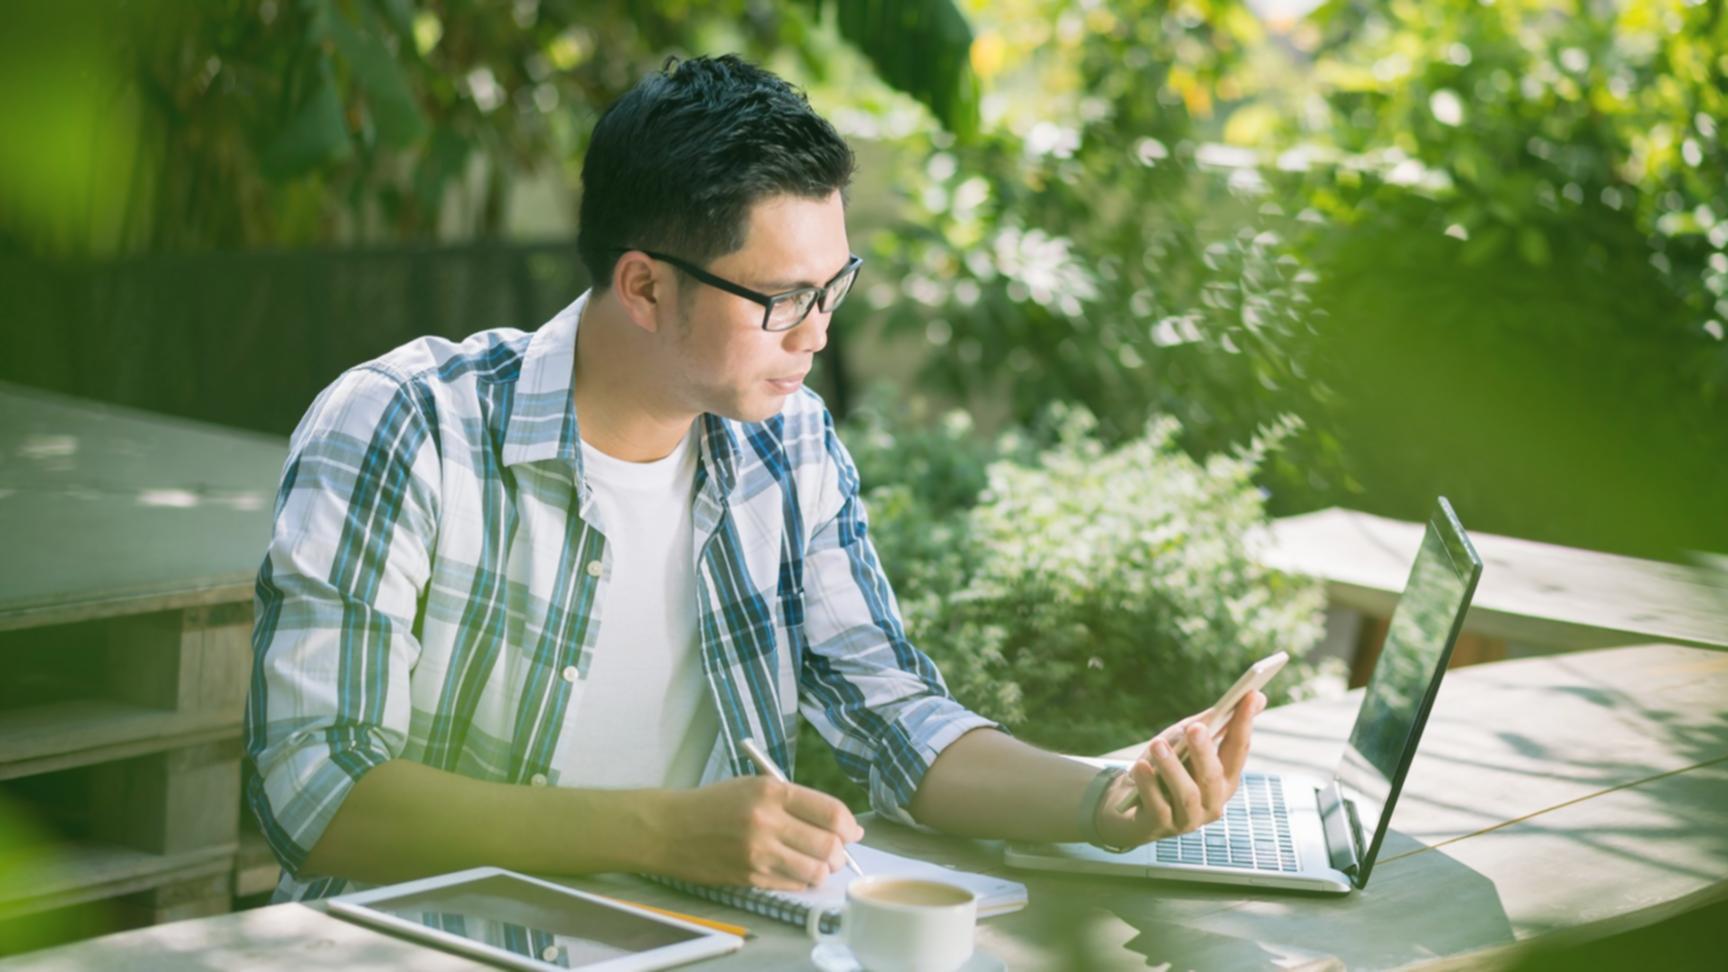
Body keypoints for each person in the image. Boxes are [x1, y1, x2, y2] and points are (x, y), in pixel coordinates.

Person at [244, 53, 1264, 902]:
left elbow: (892, 715)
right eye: (783, 299)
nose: (818, 335)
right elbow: (315, 791)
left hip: (702, 944)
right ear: (644, 285)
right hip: (420, 944)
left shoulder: (788, 443)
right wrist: (659, 833)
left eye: (834, 287)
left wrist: (1102, 799)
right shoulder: (408, 426)